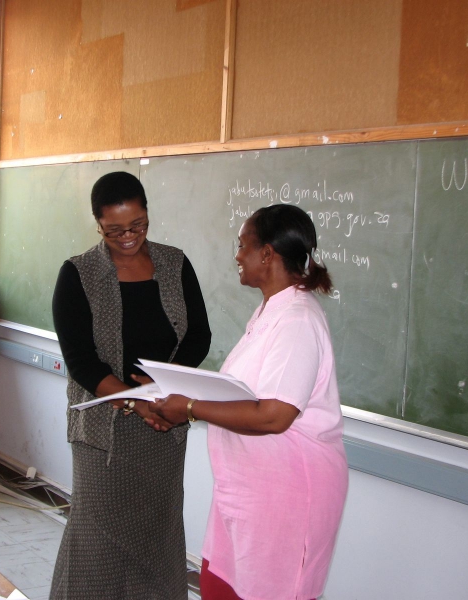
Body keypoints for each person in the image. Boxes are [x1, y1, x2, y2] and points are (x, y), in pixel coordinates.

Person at [150, 204, 349, 600]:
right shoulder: (271, 311)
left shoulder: (298, 320)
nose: (237, 256)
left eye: (242, 246)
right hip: (248, 491)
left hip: (288, 494)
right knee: (220, 585)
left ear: (267, 254)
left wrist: (188, 407)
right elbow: (243, 395)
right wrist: (176, 399)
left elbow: (274, 415)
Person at [50, 172, 212, 599]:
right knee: (96, 539)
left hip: (164, 425)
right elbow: (81, 360)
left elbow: (198, 336)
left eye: (137, 225)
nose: (128, 237)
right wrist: (133, 400)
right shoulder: (78, 274)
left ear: (147, 214)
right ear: (98, 224)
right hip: (104, 431)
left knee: (157, 535)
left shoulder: (175, 263)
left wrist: (162, 388)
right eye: (115, 230)